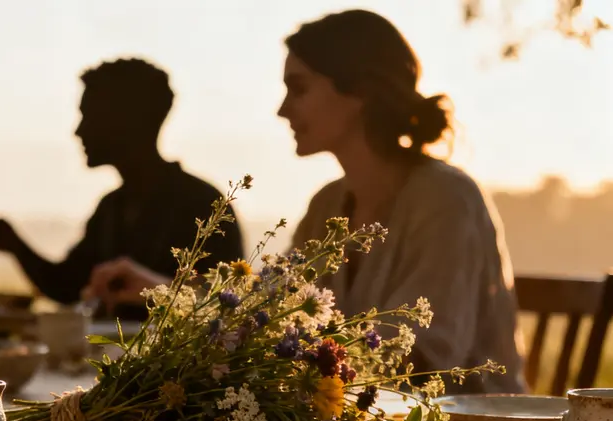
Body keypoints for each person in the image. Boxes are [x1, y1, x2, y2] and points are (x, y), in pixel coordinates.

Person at [87, 11, 526, 394]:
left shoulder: (447, 199)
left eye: (298, 89)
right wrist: (159, 289)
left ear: (360, 91)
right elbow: (264, 310)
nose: (282, 110)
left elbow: (419, 359)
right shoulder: (328, 205)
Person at [0, 58, 244, 319]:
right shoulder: (111, 207)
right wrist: (15, 245)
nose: (79, 131)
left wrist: (154, 289)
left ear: (125, 121)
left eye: (89, 116)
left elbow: (227, 305)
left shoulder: (204, 206)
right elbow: (70, 285)